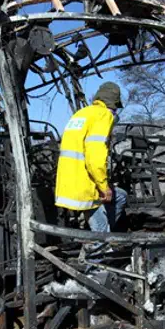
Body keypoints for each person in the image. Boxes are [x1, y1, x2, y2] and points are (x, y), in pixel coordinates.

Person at [55, 81, 127, 246]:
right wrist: (103, 186)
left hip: (68, 184)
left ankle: (95, 241)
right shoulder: (103, 115)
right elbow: (94, 158)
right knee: (101, 232)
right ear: (113, 105)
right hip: (85, 184)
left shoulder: (82, 113)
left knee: (121, 196)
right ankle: (94, 267)